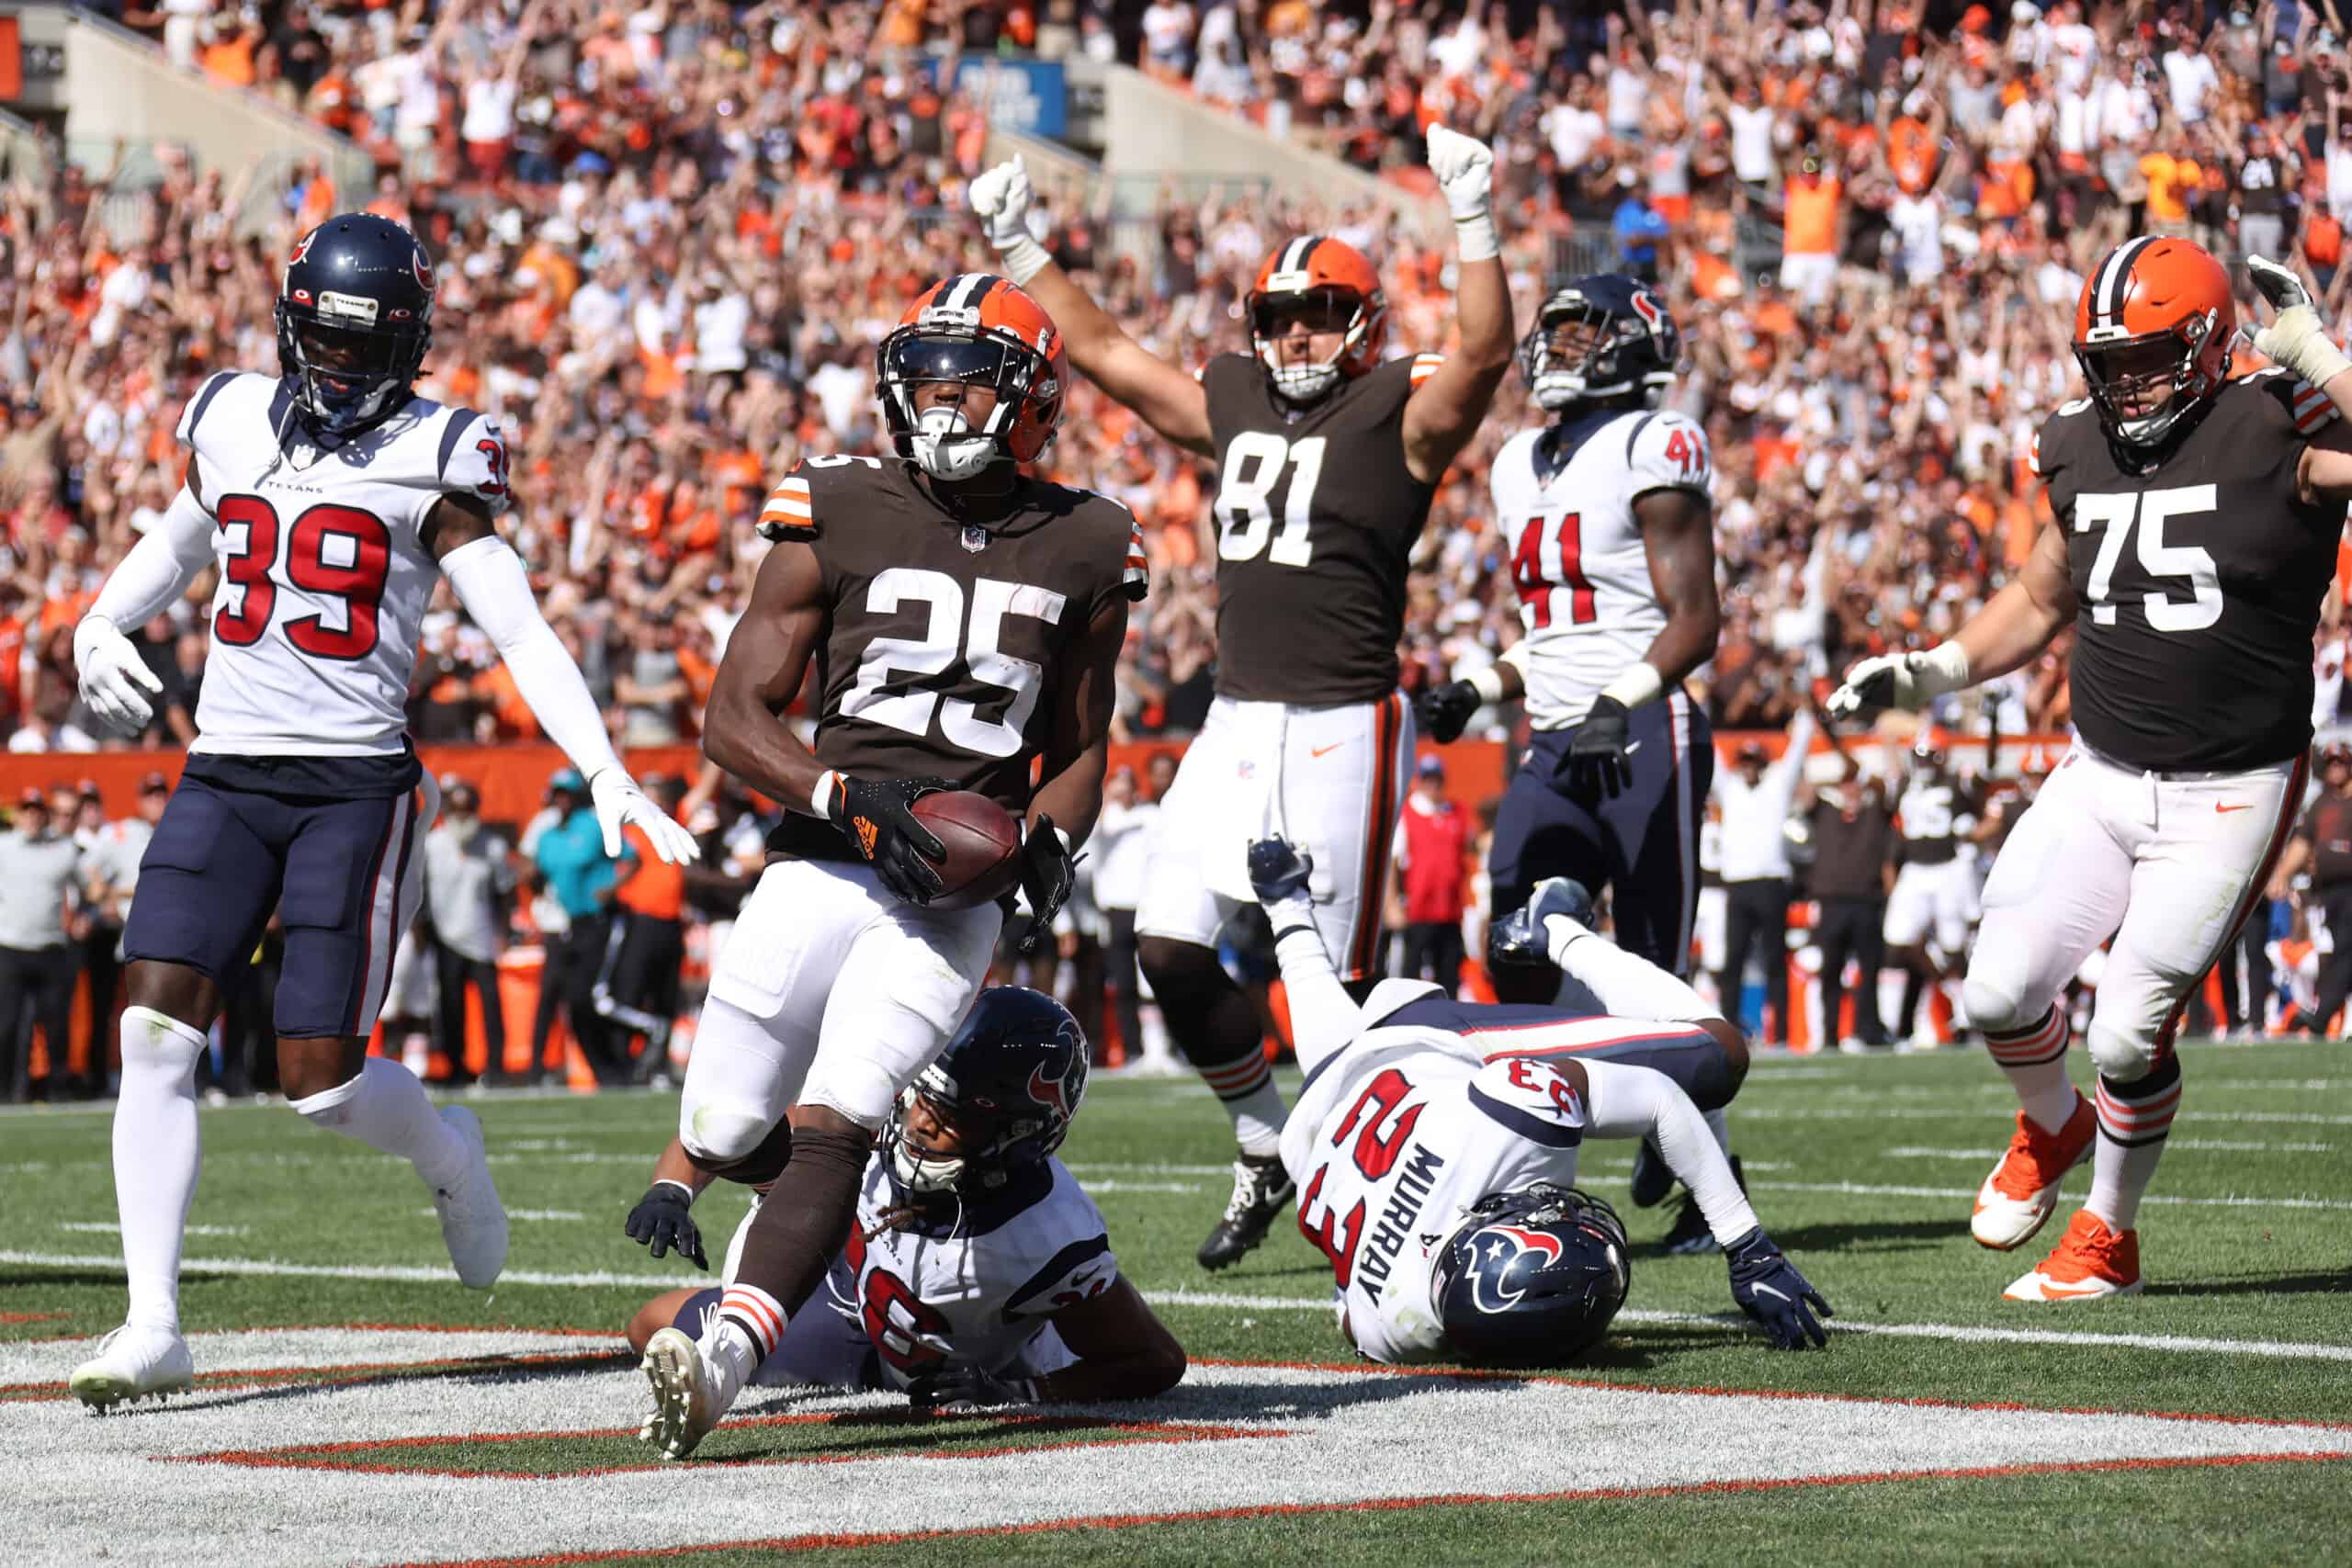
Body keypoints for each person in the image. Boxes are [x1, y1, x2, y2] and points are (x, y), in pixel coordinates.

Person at [62, 213, 698, 1409]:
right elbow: (180, 532)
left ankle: (450, 1146)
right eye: (328, 339)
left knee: (322, 1077)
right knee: (153, 1033)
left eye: (366, 344)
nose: (342, 366)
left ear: (405, 342)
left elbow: (518, 628)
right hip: (225, 770)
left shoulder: (439, 451)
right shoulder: (234, 414)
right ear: (295, 324)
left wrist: (606, 764)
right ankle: (154, 1316)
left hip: (352, 784)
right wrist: (102, 615)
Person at [969, 127, 1514, 1272]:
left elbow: (1478, 355)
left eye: (1317, 311)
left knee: (1338, 988)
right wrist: (1022, 249)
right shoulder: (1237, 401)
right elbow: (1112, 354)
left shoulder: (1396, 414)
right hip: (1236, 718)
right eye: (1277, 317)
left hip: (1341, 724)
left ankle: (1389, 1200)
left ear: (1362, 323)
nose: (1296, 333)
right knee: (1166, 944)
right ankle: (1264, 1143)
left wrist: (1473, 222)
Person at [640, 273, 1143, 1459]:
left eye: (967, 374)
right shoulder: (836, 500)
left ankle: (723, 1360)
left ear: (1029, 398)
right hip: (821, 855)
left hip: (948, 897)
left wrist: (1053, 837)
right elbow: (730, 713)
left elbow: (1078, 741)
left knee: (845, 1109)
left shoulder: (1088, 537)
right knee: (722, 1117)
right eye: (922, 372)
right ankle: (835, 1232)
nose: (939, 395)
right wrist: (841, 791)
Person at [1827, 242, 2352, 1301]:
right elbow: (2038, 593)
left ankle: (2108, 1233)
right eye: (2108, 364)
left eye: (2151, 359)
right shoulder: (2076, 442)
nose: (2127, 385)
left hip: (2229, 785)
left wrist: (2321, 358)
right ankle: (2052, 1124)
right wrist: (1933, 671)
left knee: (2123, 1029)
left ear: (2208, 346)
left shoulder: (2272, 419)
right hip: (2101, 768)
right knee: (1996, 990)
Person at [1248, 837, 1832, 1365]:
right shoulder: (1392, 1327)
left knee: (1718, 1054)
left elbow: (1659, 1098)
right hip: (1320, 1116)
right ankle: (1286, 903)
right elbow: (1349, 1309)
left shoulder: (1507, 1125)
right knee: (1329, 1053)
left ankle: (1557, 929)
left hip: (1430, 1041)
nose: (1566, 1207)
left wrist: (1747, 1247)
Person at [627, 989, 1185, 1450]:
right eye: (922, 1094)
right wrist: (673, 1189)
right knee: (649, 1325)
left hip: (910, 1358)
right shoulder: (878, 1108)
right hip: (850, 1298)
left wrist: (1016, 1390)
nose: (918, 1121)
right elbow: (731, 1122)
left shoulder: (1044, 1231)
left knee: (658, 1325)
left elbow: (1153, 1360)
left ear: (1020, 1134)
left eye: (949, 1115)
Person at [1418, 278, 1720, 1010]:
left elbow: (1695, 619)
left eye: (1582, 332)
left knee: (1656, 962)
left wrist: (1616, 701)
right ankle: (1565, 1089)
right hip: (1555, 737)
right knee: (1516, 938)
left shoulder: (1657, 440)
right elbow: (1558, 632)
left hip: (1642, 731)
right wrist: (1480, 687)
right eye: (1553, 331)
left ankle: (1684, 1118)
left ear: (1637, 341)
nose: (1558, 346)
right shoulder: (1517, 461)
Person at [1880, 733, 1983, 1048]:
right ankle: (1936, 997)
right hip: (1914, 869)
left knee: (1955, 943)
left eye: (1928, 756)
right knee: (1898, 938)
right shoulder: (1903, 786)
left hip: (1947, 868)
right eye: (1919, 756)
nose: (1923, 763)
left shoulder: (1957, 783)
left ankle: (1965, 1015)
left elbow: (1975, 807)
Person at [532, 768, 632, 1086]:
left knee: (589, 996)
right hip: (569, 924)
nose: (562, 800)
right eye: (557, 793)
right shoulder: (547, 836)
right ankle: (605, 1071)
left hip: (601, 921)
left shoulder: (593, 824)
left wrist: (612, 888)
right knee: (574, 1000)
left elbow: (633, 858)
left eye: (567, 794)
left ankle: (615, 1065)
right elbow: (538, 871)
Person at [77, 771, 174, 1096]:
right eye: (151, 795)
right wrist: (108, 894)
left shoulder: (177, 831)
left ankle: (159, 1079)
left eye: (161, 794)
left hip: (167, 938)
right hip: (124, 938)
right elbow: (89, 869)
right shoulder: (122, 833)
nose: (157, 801)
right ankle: (100, 1078)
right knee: (110, 1012)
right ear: (140, 800)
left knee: (164, 1015)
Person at [1803, 728, 1897, 1053]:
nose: (1851, 788)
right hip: (1831, 903)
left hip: (1866, 901)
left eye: (1853, 782)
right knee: (1831, 970)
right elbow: (1804, 791)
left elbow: (1884, 786)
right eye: (1845, 783)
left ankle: (1867, 1030)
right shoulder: (1826, 812)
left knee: (1869, 971)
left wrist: (1862, 765)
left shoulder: (1875, 812)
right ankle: (1829, 1034)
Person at [597, 773, 691, 1083]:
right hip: (640, 920)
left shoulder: (674, 822)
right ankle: (622, 1063)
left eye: (657, 793)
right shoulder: (628, 830)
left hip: (671, 923)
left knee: (666, 996)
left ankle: (657, 1065)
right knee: (630, 992)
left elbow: (702, 791)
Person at [421, 775, 509, 1087]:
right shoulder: (432, 845)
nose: (462, 815)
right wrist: (422, 932)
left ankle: (496, 1067)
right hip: (445, 937)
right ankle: (455, 1066)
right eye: (456, 809)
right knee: (450, 1007)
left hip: (482, 936)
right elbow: (422, 895)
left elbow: (502, 892)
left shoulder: (493, 846)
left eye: (467, 809)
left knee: (491, 1006)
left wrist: (504, 932)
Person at [0, 788, 85, 1101]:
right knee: (6, 1025)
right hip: (10, 947)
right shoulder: (3, 846)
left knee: (56, 1026)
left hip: (51, 948)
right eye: (27, 810)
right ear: (18, 814)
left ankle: (58, 1088)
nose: (33, 816)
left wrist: (84, 916)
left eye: (38, 810)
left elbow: (88, 889)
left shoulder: (63, 849)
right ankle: (6, 1091)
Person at [2268, 741, 2352, 1033]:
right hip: (2328, 892)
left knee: (2346, 949)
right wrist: (2282, 873)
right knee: (2337, 952)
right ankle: (2329, 1012)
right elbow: (2302, 843)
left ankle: (2324, 1013)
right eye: (2331, 763)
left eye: (2341, 762)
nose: (2336, 767)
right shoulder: (2322, 803)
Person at [1090, 761, 1155, 1069]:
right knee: (1125, 984)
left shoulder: (1151, 815)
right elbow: (1090, 837)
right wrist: (1105, 799)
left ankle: (1162, 1047)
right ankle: (1133, 1051)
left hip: (1147, 907)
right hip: (1116, 910)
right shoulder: (1105, 819)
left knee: (1153, 981)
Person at [1395, 754, 1471, 994]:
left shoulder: (1456, 813)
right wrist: (1394, 903)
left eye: (1436, 778)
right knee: (1411, 972)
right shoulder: (1408, 813)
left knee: (1449, 974)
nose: (1432, 784)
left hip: (1450, 910)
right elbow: (1395, 861)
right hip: (1419, 909)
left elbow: (1467, 852)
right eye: (1427, 779)